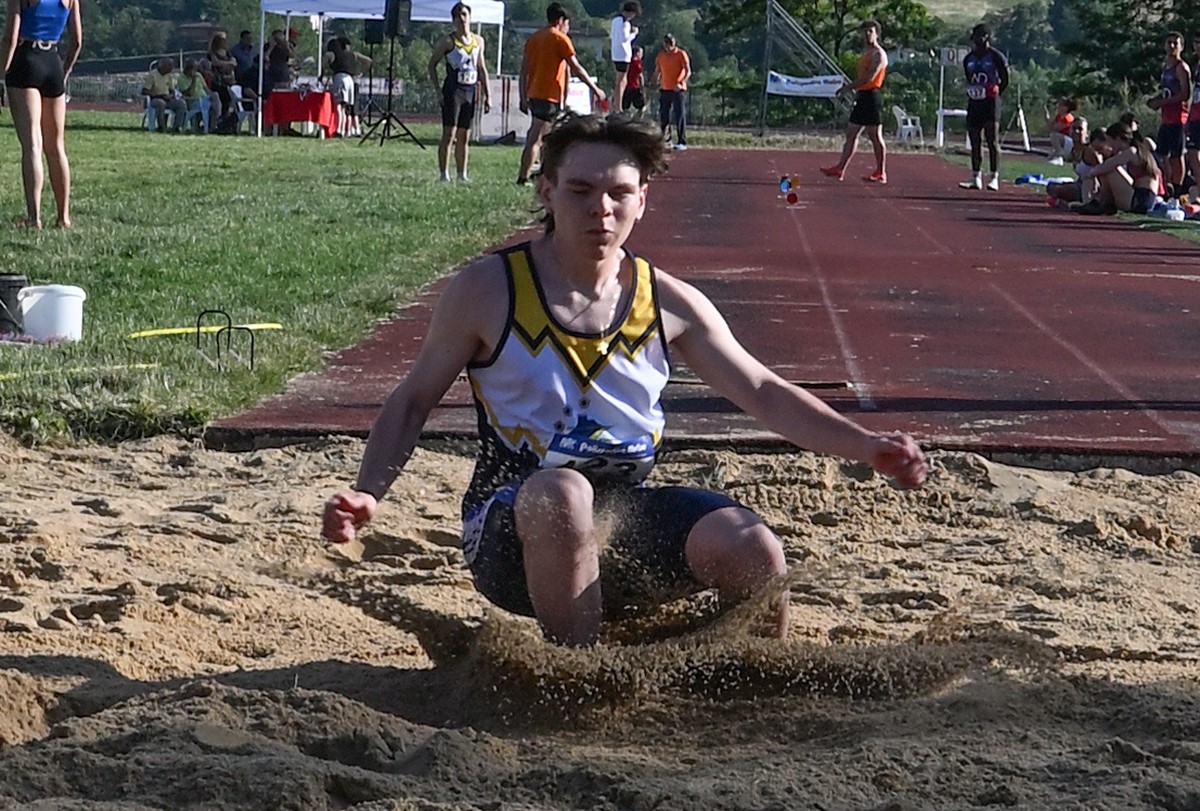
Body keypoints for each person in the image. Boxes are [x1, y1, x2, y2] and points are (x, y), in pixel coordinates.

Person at [322, 113, 929, 648]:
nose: (601, 209)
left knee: (755, 548)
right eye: (581, 190)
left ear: (643, 199)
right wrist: (369, 492)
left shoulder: (669, 302)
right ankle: (581, 678)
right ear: (547, 190)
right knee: (564, 494)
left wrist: (866, 446)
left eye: (619, 193)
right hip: (513, 529)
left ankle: (755, 678)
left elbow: (764, 392)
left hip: (624, 521)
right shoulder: (487, 290)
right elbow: (413, 400)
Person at [3, 0, 82, 229]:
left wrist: (1, 74)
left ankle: (34, 217)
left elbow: (10, 37)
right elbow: (77, 41)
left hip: (25, 61)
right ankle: (63, 217)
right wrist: (64, 71)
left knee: (32, 145)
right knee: (56, 147)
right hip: (53, 63)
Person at [516, 2, 606, 185]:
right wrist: (594, 88)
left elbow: (524, 70)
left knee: (546, 137)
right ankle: (523, 177)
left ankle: (543, 174)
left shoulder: (534, 38)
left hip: (534, 93)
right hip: (548, 94)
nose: (568, 27)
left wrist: (523, 96)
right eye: (567, 23)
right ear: (560, 20)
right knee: (536, 137)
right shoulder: (560, 39)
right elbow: (576, 67)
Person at [820, 20, 888, 184]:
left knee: (874, 135)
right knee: (852, 133)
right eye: (864, 32)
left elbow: (869, 78)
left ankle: (881, 172)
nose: (867, 35)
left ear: (877, 34)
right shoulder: (866, 53)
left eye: (870, 31)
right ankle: (840, 169)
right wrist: (856, 91)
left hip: (871, 96)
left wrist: (847, 87)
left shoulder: (878, 54)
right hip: (863, 95)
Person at [428, 3, 489, 181]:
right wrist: (438, 91)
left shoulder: (479, 41)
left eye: (464, 14)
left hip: (471, 90)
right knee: (449, 133)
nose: (461, 19)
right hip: (453, 91)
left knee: (465, 135)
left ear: (470, 17)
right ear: (453, 20)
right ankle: (444, 174)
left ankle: (462, 174)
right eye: (457, 16)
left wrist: (488, 95)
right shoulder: (448, 41)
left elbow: (482, 68)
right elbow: (432, 65)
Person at [957, 23, 1009, 191]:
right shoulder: (968, 59)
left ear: (986, 37)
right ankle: (975, 176)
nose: (976, 41)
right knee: (975, 140)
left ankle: (994, 177)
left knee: (992, 140)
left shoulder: (996, 57)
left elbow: (1005, 78)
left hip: (991, 102)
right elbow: (969, 77)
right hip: (974, 101)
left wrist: (996, 92)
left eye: (979, 37)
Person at [1073, 121, 1162, 215]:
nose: (1109, 146)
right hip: (1139, 197)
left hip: (1140, 201)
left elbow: (1107, 166)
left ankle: (1100, 203)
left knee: (1109, 169)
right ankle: (1103, 203)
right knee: (1107, 169)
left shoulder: (1132, 151)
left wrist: (1090, 175)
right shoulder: (1135, 151)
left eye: (1110, 141)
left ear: (1118, 139)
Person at [1147, 31, 1191, 195]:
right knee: (1161, 154)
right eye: (1169, 42)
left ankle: (1178, 190)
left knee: (1176, 156)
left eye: (1175, 43)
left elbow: (1185, 94)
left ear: (1181, 47)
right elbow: (1167, 91)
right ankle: (1167, 186)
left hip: (1178, 118)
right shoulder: (1166, 67)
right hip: (1166, 118)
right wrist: (1156, 100)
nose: (1172, 46)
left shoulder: (1181, 68)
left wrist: (1162, 103)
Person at [327, 35, 371, 138]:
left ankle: (339, 129)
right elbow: (368, 60)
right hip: (351, 80)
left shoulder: (333, 54)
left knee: (339, 105)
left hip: (340, 78)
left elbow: (325, 64)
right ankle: (344, 130)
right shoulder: (353, 55)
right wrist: (362, 72)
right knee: (346, 107)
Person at [653, 33, 690, 150]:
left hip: (677, 89)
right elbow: (658, 71)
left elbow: (687, 71)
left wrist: (681, 82)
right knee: (664, 116)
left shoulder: (681, 54)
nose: (669, 47)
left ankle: (682, 141)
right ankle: (665, 140)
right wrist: (653, 81)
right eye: (667, 44)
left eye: (671, 44)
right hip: (665, 89)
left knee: (679, 115)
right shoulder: (661, 56)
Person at [141, 56, 187, 133]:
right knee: (161, 103)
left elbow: (172, 90)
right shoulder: (152, 75)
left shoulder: (169, 76)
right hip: (155, 99)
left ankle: (177, 127)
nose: (171, 68)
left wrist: (171, 96)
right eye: (169, 66)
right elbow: (144, 91)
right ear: (162, 65)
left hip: (167, 99)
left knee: (181, 104)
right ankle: (161, 126)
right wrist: (156, 94)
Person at [609, 1, 639, 112]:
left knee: (622, 80)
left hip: (615, 53)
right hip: (623, 54)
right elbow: (626, 38)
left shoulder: (615, 20)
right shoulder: (625, 23)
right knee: (621, 81)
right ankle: (618, 106)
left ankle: (616, 103)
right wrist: (634, 33)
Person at [178, 58, 220, 133]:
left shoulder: (199, 75)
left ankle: (213, 125)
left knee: (215, 96)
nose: (195, 72)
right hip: (193, 101)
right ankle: (215, 123)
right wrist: (193, 81)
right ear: (188, 69)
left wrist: (211, 94)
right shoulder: (181, 78)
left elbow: (206, 89)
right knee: (213, 105)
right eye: (194, 69)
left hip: (204, 99)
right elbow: (187, 93)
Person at [1187, 32, 1200, 199]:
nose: (1198, 46)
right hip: (1196, 115)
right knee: (1192, 154)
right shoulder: (1197, 65)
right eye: (1196, 42)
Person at [1047, 97, 1077, 165]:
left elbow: (1055, 128)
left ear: (1066, 107)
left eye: (1060, 105)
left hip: (1070, 143)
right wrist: (1047, 118)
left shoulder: (1067, 117)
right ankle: (1058, 155)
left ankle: (1059, 155)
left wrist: (1050, 123)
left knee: (1054, 135)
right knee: (1049, 158)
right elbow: (1050, 128)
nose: (1058, 107)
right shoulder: (1059, 116)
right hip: (1064, 142)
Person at [623, 44, 645, 117]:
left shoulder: (627, 62)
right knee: (642, 106)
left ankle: (625, 118)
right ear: (637, 53)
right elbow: (640, 76)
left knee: (625, 107)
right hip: (635, 87)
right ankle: (638, 119)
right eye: (641, 53)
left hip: (626, 87)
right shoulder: (637, 63)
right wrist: (642, 88)